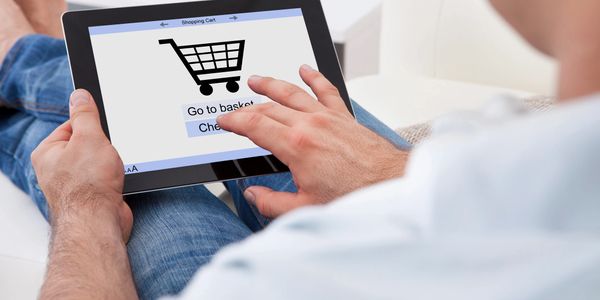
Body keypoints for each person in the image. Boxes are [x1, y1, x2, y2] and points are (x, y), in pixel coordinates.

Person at [1, 0, 599, 299]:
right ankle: (30, 53)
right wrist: (390, 174)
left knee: (151, 179)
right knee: (293, 106)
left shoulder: (273, 281)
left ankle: (18, 57)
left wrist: (83, 204)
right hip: (432, 211)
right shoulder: (537, 158)